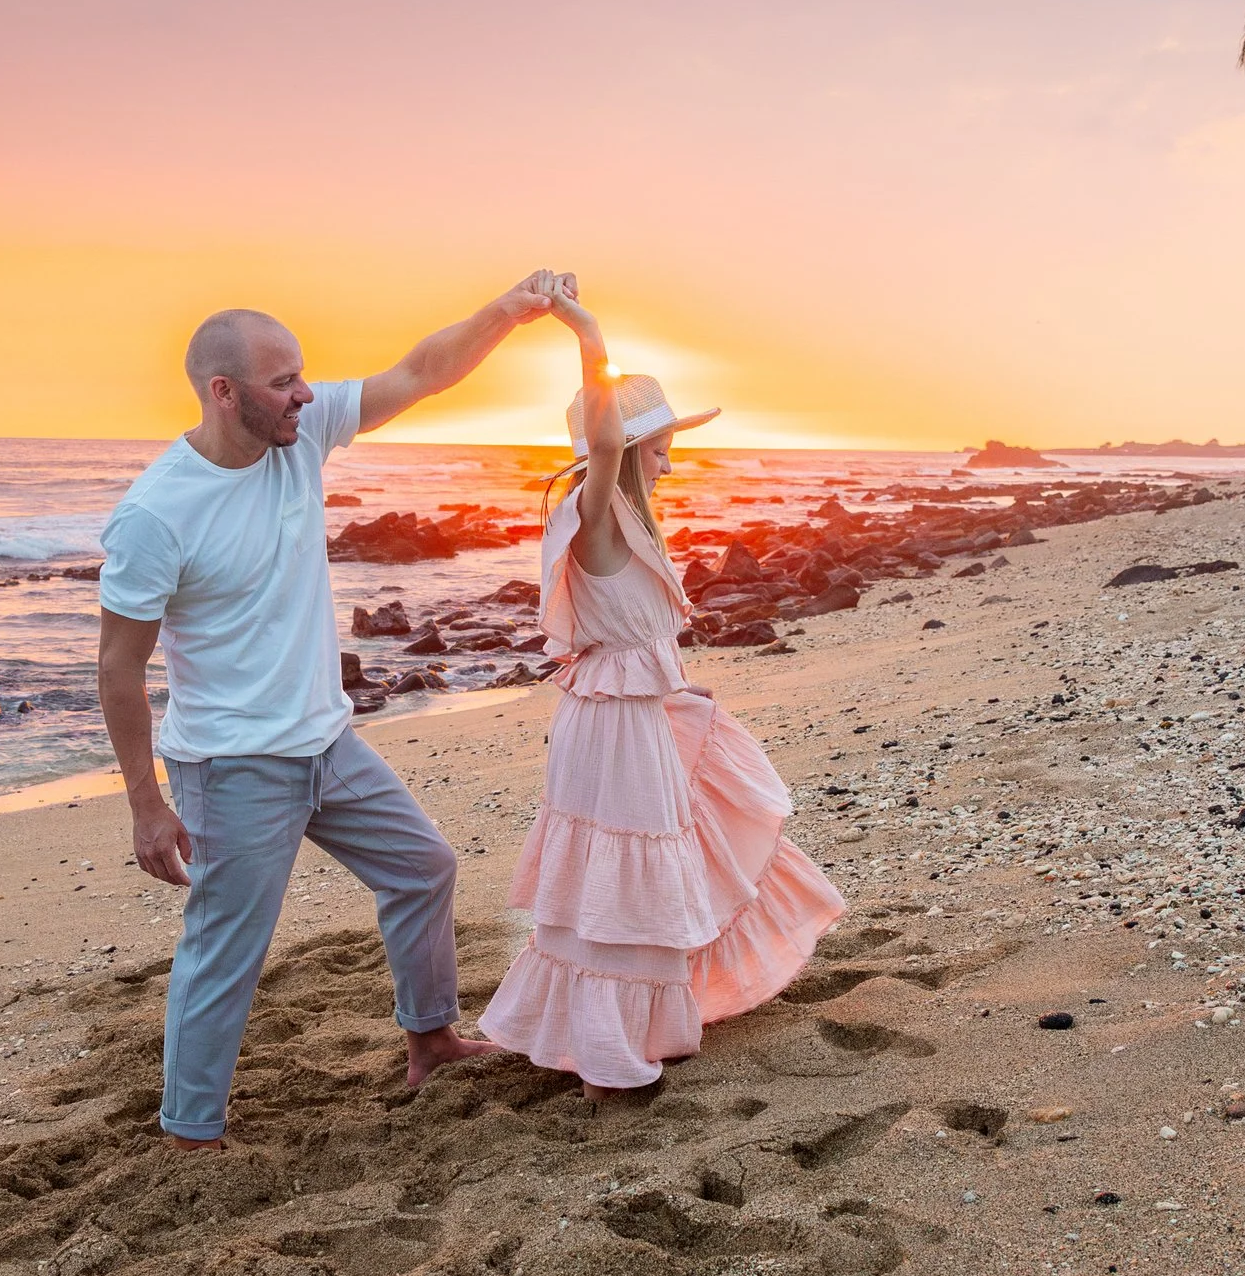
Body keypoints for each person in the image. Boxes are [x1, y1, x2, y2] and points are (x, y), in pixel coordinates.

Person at [95, 272, 569, 1148]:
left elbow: (422, 370)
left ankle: (430, 1042)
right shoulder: (156, 514)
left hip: (328, 741)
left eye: (303, 375)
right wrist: (145, 802)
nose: (305, 393)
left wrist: (508, 308)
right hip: (233, 766)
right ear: (222, 391)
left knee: (423, 867)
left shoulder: (300, 437)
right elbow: (120, 667)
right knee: (227, 948)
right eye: (283, 381)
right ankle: (191, 1133)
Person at [479, 286, 844, 1096]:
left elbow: (638, 639)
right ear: (626, 444)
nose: (671, 457)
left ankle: (626, 1028)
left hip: (629, 714)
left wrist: (678, 694)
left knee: (646, 858)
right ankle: (607, 1053)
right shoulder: (595, 509)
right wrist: (586, 331)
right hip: (609, 726)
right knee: (622, 862)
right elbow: (605, 443)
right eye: (661, 443)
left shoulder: (633, 523)